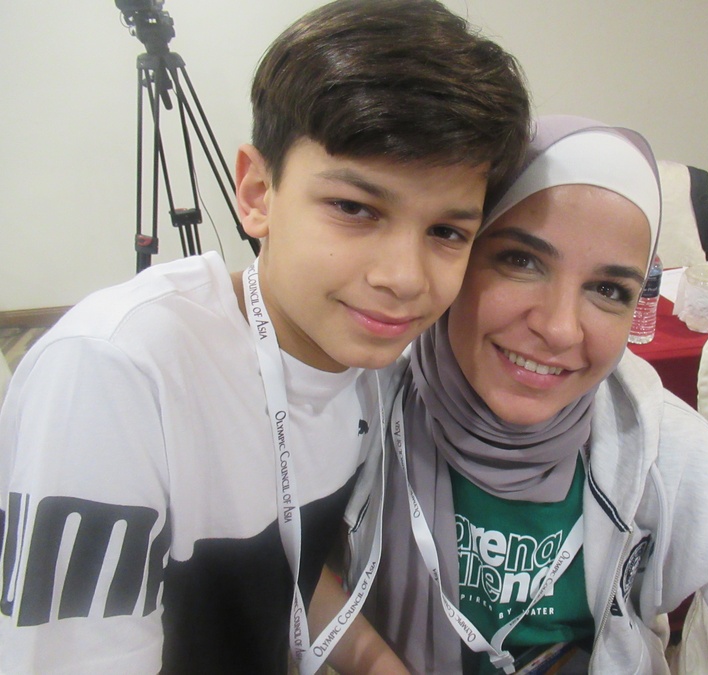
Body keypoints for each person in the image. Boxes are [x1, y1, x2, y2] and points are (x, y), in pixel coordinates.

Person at [0, 1, 530, 673]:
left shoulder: (375, 356)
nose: (403, 279)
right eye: (353, 208)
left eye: (447, 232)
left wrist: (375, 663)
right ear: (256, 191)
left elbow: (280, 566)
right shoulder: (117, 371)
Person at [343, 115, 708, 673]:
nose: (561, 329)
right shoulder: (364, 398)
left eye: (607, 290)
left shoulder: (654, 441)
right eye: (521, 261)